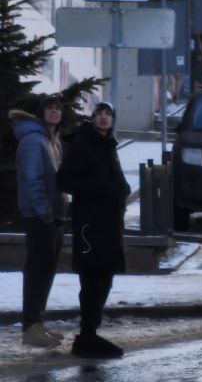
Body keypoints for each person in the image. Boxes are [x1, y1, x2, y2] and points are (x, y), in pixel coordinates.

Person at [56, 101, 129, 360]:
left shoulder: (109, 145)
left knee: (106, 277)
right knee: (92, 280)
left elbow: (114, 181)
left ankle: (90, 334)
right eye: (100, 113)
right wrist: (98, 188)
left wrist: (121, 190)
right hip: (89, 224)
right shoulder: (82, 144)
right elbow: (63, 180)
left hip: (109, 224)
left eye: (109, 114)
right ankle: (87, 336)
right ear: (93, 117)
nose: (104, 118)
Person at [11, 94, 67, 348]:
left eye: (58, 108)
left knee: (46, 271)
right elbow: (32, 182)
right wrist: (45, 214)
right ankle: (30, 327)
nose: (54, 111)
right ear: (41, 113)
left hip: (52, 217)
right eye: (49, 108)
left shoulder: (51, 140)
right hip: (40, 217)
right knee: (37, 271)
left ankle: (37, 325)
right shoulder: (35, 141)